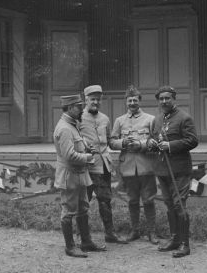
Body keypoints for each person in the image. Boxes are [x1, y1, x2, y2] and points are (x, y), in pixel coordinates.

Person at [147, 85, 198, 258]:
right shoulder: (157, 119)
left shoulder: (184, 118)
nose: (164, 101)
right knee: (169, 205)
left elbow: (192, 141)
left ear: (174, 98)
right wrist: (151, 144)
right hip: (163, 170)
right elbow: (152, 137)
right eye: (161, 99)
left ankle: (185, 244)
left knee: (179, 205)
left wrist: (170, 146)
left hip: (179, 170)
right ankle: (174, 239)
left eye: (167, 98)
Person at [53, 94, 106, 258]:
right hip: (70, 176)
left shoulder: (73, 125)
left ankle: (86, 242)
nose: (82, 109)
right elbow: (69, 155)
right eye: (79, 106)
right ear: (70, 108)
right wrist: (89, 157)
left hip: (80, 175)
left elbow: (77, 147)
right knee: (68, 211)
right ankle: (70, 247)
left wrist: (86, 148)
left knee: (83, 208)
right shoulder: (64, 128)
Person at [110, 85, 158, 244]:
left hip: (146, 166)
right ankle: (135, 231)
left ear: (140, 101)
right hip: (128, 168)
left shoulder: (150, 120)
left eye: (135, 100)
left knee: (149, 200)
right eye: (129, 100)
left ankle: (152, 232)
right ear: (126, 102)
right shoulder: (119, 121)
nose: (132, 103)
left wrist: (142, 145)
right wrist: (122, 142)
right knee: (132, 201)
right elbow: (111, 142)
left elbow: (156, 141)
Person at [80, 85, 126, 244]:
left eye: (98, 99)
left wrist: (124, 143)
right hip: (86, 166)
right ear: (85, 100)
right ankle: (83, 236)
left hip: (103, 166)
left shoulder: (105, 119)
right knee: (83, 201)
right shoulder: (78, 117)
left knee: (105, 200)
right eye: (92, 99)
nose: (95, 102)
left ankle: (110, 234)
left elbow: (110, 142)